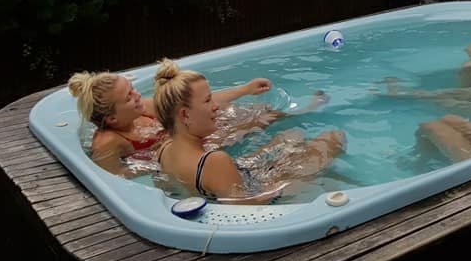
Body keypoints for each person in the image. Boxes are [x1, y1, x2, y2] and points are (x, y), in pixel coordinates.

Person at [152, 58, 346, 202]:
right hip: (260, 192)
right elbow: (248, 206)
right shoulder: (215, 161)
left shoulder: (164, 149)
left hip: (223, 184)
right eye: (208, 100)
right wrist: (290, 181)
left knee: (289, 137)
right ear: (184, 115)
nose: (215, 106)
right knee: (333, 137)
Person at [68, 68, 324, 175]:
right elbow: (115, 179)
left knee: (256, 113)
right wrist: (151, 168)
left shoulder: (142, 109)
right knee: (249, 126)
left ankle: (292, 112)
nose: (136, 96)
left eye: (132, 89)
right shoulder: (108, 143)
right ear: (112, 118)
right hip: (178, 154)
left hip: (184, 138)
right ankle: (298, 116)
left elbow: (197, 102)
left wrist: (244, 89)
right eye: (128, 97)